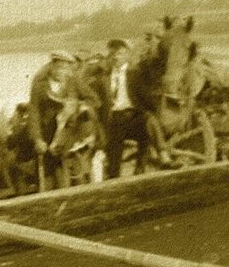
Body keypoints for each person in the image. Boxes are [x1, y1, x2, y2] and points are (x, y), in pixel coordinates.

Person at [26, 50, 100, 190]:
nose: (62, 72)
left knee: (74, 175)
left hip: (70, 134)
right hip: (48, 137)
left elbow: (94, 99)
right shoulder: (39, 85)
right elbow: (34, 113)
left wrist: (81, 106)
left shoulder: (74, 81)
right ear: (52, 66)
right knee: (48, 181)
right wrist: (37, 139)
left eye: (66, 68)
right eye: (59, 68)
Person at [82, 38, 148, 178]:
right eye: (113, 54)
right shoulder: (103, 77)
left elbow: (145, 97)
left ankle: (141, 166)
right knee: (114, 145)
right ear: (109, 57)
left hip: (133, 116)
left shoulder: (134, 74)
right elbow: (91, 95)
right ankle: (114, 175)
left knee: (148, 123)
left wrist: (148, 111)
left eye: (120, 54)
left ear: (127, 55)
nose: (116, 57)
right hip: (113, 118)